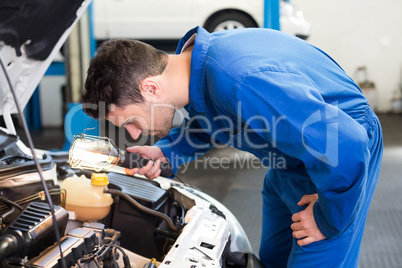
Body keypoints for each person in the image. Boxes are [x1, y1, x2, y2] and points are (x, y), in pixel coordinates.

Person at [82, 26, 383, 267]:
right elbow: (218, 116)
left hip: (336, 161)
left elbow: (348, 144)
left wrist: (327, 219)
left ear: (150, 88)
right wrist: (167, 151)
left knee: (315, 248)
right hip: (289, 162)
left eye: (131, 121)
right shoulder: (194, 72)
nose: (134, 135)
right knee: (272, 261)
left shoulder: (242, 80)